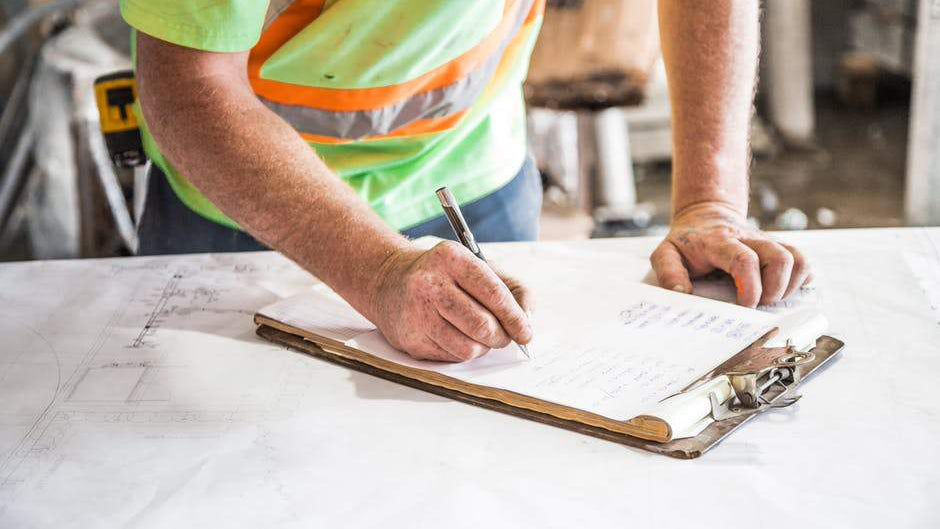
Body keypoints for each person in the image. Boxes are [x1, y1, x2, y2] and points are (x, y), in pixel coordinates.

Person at [123, 0, 810, 363]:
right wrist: (375, 266)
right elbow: (188, 85)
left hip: (476, 177)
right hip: (247, 216)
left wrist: (709, 203)